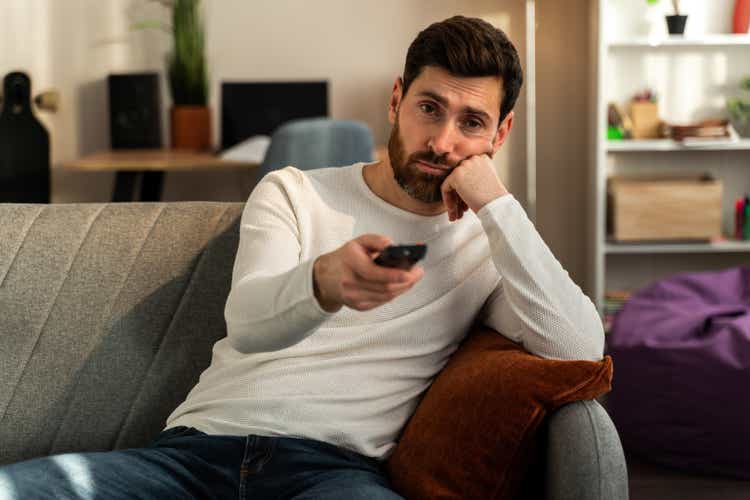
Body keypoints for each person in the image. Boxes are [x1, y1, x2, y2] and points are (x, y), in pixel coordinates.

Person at [0, 15, 603, 500]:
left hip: (333, 474)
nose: (443, 142)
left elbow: (578, 346)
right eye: (429, 108)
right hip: (193, 455)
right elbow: (250, 321)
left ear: (500, 135)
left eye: (471, 122)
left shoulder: (489, 247)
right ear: (397, 99)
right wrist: (325, 280)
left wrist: (496, 203)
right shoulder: (294, 190)